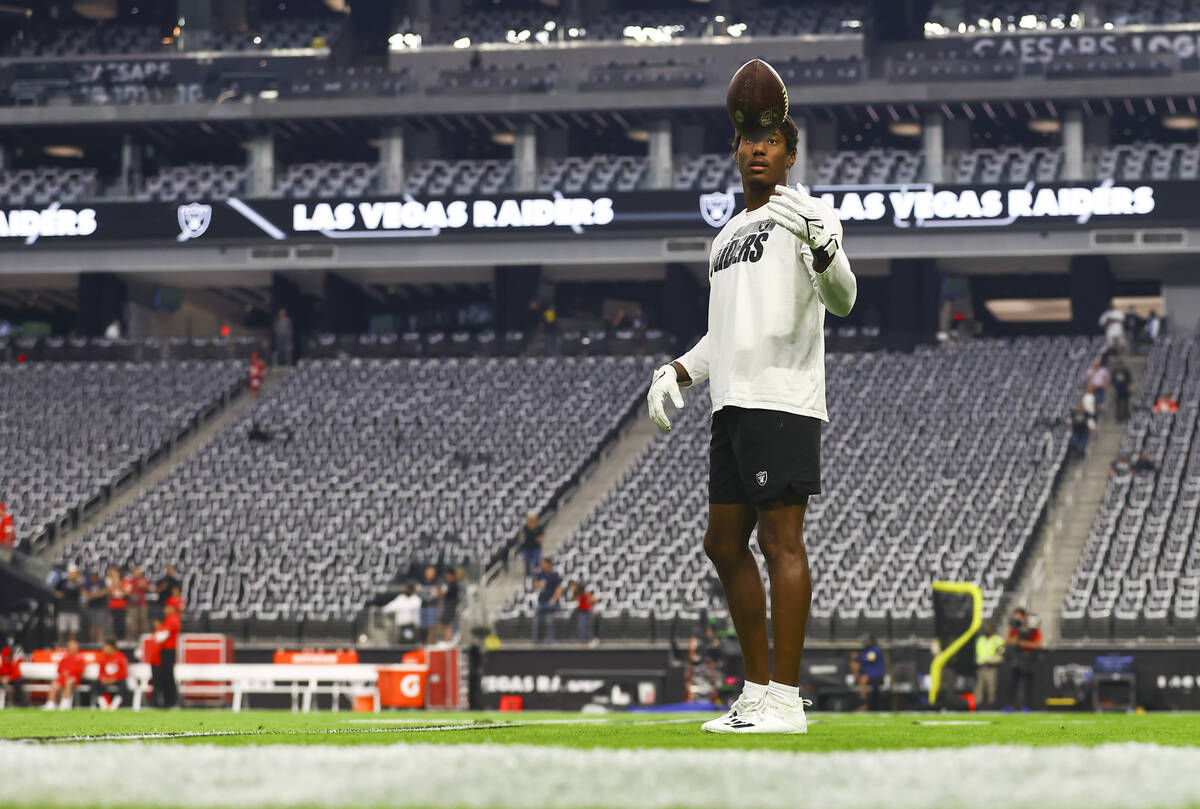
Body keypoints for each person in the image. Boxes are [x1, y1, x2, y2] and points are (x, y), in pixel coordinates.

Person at [648, 115, 855, 733]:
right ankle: (758, 691)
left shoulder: (809, 217)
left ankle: (786, 700)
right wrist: (681, 369)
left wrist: (825, 246)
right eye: (749, 140)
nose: (759, 149)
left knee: (779, 541)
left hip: (782, 397)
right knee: (722, 544)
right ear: (735, 151)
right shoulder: (725, 236)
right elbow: (725, 331)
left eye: (772, 142)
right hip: (731, 403)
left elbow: (843, 298)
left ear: (790, 155)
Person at [1006, 608, 1042, 712]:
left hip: (1029, 659)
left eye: (1018, 615)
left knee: (1027, 685)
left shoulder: (1033, 628)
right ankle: (1010, 705)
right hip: (1017, 658)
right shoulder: (1015, 628)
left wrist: (1022, 643)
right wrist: (1014, 640)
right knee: (1013, 684)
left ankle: (1027, 706)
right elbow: (1008, 640)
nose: (1016, 617)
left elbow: (1037, 644)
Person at [44, 638, 85, 710]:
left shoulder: (80, 658)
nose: (73, 648)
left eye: (74, 646)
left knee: (69, 682)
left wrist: (70, 673)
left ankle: (65, 702)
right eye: (71, 646)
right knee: (54, 684)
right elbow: (59, 669)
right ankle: (51, 703)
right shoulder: (65, 657)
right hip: (63, 677)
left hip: (74, 678)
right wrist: (64, 673)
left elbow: (80, 670)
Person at [154, 603, 181, 708]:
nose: (164, 609)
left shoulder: (172, 619)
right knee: (166, 675)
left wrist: (158, 628)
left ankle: (171, 701)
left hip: (168, 650)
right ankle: (168, 701)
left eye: (167, 607)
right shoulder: (170, 619)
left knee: (168, 675)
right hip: (166, 650)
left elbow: (162, 636)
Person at [531, 557, 564, 644]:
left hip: (550, 602)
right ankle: (536, 641)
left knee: (549, 622)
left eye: (543, 563)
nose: (542, 565)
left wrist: (554, 599)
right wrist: (537, 584)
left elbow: (559, 588)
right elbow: (535, 586)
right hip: (541, 601)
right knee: (537, 622)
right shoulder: (540, 574)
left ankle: (550, 641)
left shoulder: (554, 574)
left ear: (548, 564)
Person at [91, 638, 130, 710]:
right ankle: (103, 704)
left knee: (123, 684)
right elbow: (101, 672)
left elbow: (124, 672)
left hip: (117, 680)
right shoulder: (103, 657)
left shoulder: (121, 657)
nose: (104, 649)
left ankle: (115, 704)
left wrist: (114, 679)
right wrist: (102, 678)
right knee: (95, 683)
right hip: (106, 680)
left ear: (112, 648)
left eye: (106, 647)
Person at [974, 624, 1005, 709]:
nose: (986, 630)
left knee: (991, 688)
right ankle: (978, 706)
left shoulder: (998, 640)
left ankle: (991, 705)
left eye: (988, 628)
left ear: (992, 629)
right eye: (985, 628)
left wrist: (990, 660)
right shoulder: (980, 639)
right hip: (981, 667)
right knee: (979, 687)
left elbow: (1001, 655)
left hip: (991, 667)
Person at [852, 636, 886, 711]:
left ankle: (864, 704)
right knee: (856, 668)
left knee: (863, 680)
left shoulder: (875, 650)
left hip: (876, 676)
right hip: (871, 675)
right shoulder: (869, 650)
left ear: (870, 641)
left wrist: (857, 657)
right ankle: (864, 704)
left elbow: (868, 658)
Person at [54, 565, 85, 642]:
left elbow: (81, 593)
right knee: (61, 631)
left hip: (74, 610)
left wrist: (79, 582)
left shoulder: (78, 583)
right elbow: (55, 591)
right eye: (74, 573)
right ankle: (60, 648)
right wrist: (59, 594)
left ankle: (71, 648)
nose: (75, 574)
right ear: (69, 573)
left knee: (73, 632)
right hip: (63, 609)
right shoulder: (62, 582)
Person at [417, 566, 441, 646]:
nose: (429, 574)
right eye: (428, 572)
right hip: (423, 606)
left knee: (431, 626)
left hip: (432, 607)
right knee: (422, 626)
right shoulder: (422, 581)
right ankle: (422, 642)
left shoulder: (437, 582)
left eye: (431, 572)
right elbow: (418, 591)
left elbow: (437, 594)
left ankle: (431, 643)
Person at [127, 566, 151, 638]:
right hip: (133, 604)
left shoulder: (143, 580)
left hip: (142, 604)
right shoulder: (130, 581)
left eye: (138, 572)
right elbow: (127, 591)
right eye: (135, 572)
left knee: (143, 621)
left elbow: (149, 589)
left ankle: (142, 636)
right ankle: (134, 637)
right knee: (134, 622)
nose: (137, 574)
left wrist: (144, 586)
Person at [520, 511, 545, 581]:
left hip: (536, 547)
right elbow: (522, 537)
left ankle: (538, 576)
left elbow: (541, 537)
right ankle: (528, 577)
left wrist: (539, 539)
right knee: (527, 562)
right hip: (527, 547)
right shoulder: (525, 527)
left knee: (537, 561)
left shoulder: (539, 527)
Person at [106, 566, 128, 641]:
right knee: (115, 622)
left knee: (121, 622)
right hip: (113, 605)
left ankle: (122, 637)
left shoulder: (124, 581)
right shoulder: (109, 581)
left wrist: (119, 583)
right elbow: (108, 592)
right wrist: (113, 582)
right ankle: (116, 637)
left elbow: (126, 592)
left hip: (121, 605)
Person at [440, 568, 461, 642]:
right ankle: (448, 639)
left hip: (451, 606)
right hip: (448, 606)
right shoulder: (450, 583)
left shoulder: (454, 584)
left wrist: (442, 593)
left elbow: (447, 595)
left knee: (446, 623)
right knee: (444, 623)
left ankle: (449, 639)